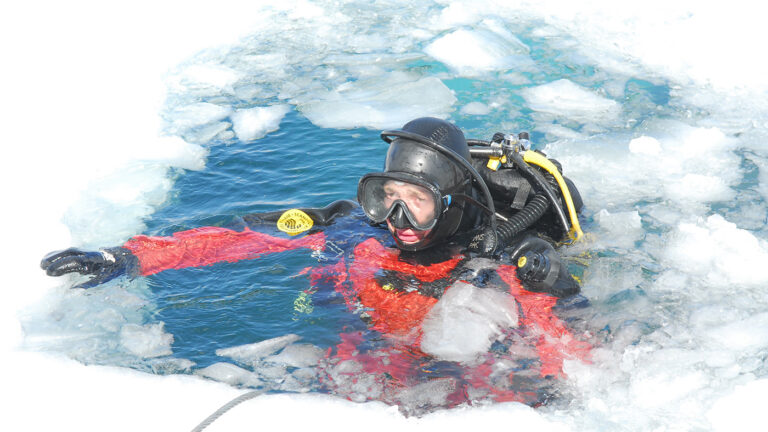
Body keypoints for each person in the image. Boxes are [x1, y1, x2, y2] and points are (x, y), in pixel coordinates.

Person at [41, 117, 590, 409]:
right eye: (387, 195)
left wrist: (565, 401)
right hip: (367, 359)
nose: (396, 217)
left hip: (469, 378)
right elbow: (236, 240)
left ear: (450, 202)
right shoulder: (355, 231)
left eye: (416, 200)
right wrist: (128, 257)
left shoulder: (503, 258)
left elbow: (562, 341)